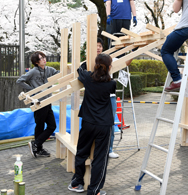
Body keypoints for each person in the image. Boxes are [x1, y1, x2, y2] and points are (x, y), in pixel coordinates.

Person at [68, 53, 116, 195]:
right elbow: (107, 82)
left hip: (88, 122)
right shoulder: (111, 83)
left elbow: (80, 69)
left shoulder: (88, 78)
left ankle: (77, 183)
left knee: (82, 152)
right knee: (100, 158)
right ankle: (94, 190)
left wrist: (86, 64)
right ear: (109, 67)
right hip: (104, 125)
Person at [80, 37, 119, 159]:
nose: (98, 48)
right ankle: (95, 149)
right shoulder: (86, 63)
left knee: (109, 124)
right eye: (95, 45)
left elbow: (126, 61)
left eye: (100, 46)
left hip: (108, 97)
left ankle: (109, 148)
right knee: (95, 125)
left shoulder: (108, 58)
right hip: (95, 97)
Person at [16, 51, 59, 158]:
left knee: (52, 125)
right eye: (41, 58)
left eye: (44, 57)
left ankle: (36, 144)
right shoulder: (33, 72)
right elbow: (19, 81)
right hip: (37, 102)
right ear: (36, 62)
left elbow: (59, 73)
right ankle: (38, 149)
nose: (44, 59)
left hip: (48, 101)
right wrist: (32, 90)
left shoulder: (49, 70)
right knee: (39, 125)